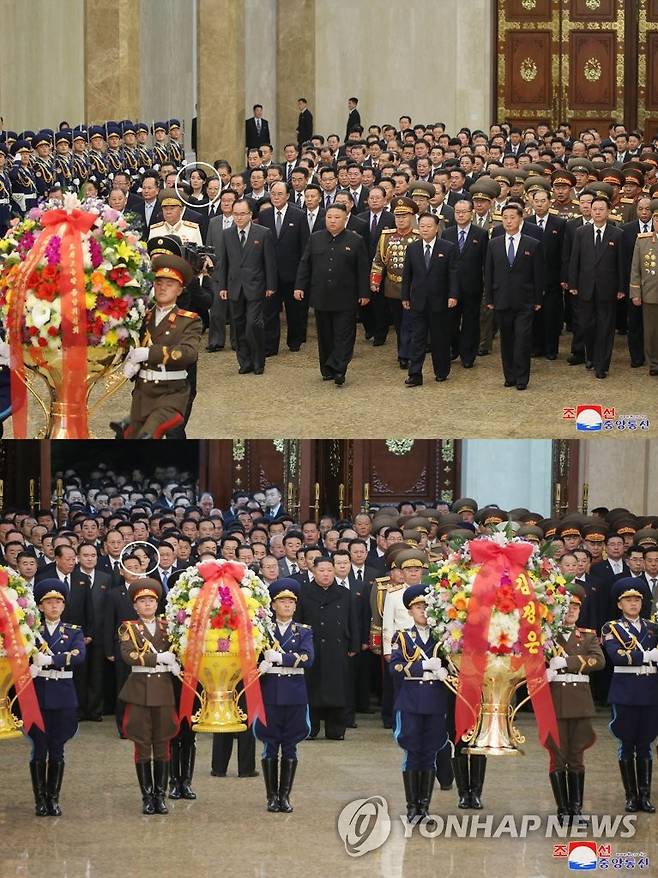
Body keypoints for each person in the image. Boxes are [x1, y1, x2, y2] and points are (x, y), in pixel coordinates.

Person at [122, 238, 202, 439]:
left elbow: (188, 353)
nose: (163, 288)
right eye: (159, 283)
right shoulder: (143, 317)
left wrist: (150, 353)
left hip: (171, 393)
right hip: (143, 393)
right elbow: (132, 346)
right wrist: (130, 362)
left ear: (180, 290)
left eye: (170, 284)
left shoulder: (189, 320)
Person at [118, 577, 180, 815]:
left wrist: (175, 661)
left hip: (163, 690)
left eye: (151, 601)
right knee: (142, 744)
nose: (147, 605)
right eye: (142, 601)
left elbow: (178, 651)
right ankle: (147, 796)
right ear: (135, 606)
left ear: (157, 603)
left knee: (163, 743)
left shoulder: (168, 627)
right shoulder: (129, 628)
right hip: (140, 690)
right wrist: (157, 658)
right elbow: (128, 655)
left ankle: (160, 796)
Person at [545, 583, 605, 822]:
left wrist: (567, 662)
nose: (571, 611)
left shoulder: (588, 635)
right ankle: (563, 809)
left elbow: (598, 661)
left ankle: (576, 808)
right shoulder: (547, 636)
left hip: (580, 702)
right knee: (557, 756)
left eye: (575, 607)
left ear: (580, 610)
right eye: (567, 606)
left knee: (577, 755)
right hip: (555, 702)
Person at [254, 578, 314, 812]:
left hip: (294, 692)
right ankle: (271, 796)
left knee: (290, 745)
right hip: (269, 692)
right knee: (270, 744)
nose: (287, 606)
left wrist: (282, 658)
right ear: (273, 605)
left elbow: (308, 658)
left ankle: (285, 795)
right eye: (282, 601)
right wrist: (261, 664)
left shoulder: (304, 631)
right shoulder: (263, 631)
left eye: (291, 602)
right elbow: (253, 658)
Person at [390, 583, 449, 821]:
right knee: (413, 751)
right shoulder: (403, 637)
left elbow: (453, 665)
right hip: (411, 701)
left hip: (435, 700)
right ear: (410, 611)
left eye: (427, 606)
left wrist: (445, 669)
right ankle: (411, 806)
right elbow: (394, 667)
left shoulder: (443, 637)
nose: (423, 611)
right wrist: (422, 666)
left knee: (431, 752)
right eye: (418, 607)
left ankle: (424, 806)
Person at [294, 203, 370, 386]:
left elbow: (362, 269)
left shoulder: (355, 240)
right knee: (325, 334)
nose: (333, 221)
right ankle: (327, 368)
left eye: (337, 217)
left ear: (345, 219)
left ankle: (340, 368)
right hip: (321, 295)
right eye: (329, 217)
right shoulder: (315, 238)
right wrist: (299, 287)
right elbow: (305, 265)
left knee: (343, 335)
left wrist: (364, 293)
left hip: (346, 297)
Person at [28, 579, 86, 817]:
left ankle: (54, 798)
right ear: (40, 607)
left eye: (58, 603)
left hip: (63, 695)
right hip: (38, 695)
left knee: (58, 747)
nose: (53, 607)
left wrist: (51, 660)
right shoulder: (31, 632)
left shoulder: (73, 631)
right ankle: (40, 799)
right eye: (48, 603)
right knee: (39, 748)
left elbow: (79, 655)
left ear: (63, 606)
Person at [602, 579, 658, 813]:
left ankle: (644, 795)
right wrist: (648, 656)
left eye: (637, 599)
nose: (633, 603)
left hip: (650, 691)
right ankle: (630, 795)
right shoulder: (610, 627)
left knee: (646, 743)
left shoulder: (652, 627)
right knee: (626, 743)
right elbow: (617, 655)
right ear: (619, 604)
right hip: (625, 690)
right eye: (628, 600)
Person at [295, 557, 360, 739]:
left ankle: (336, 730)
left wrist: (354, 644)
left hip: (338, 647)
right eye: (322, 570)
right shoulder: (304, 592)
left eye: (329, 570)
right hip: (311, 647)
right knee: (312, 689)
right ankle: (311, 728)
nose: (326, 574)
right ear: (314, 571)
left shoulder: (344, 593)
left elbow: (352, 620)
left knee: (338, 689)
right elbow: (298, 621)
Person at [484, 203, 544, 390]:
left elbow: (538, 274)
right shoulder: (494, 243)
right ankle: (509, 375)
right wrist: (490, 299)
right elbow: (489, 272)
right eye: (505, 218)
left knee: (522, 340)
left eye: (512, 217)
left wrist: (537, 299)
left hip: (525, 301)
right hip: (501, 299)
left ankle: (522, 378)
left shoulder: (532, 244)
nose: (508, 221)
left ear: (520, 219)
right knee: (506, 340)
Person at [216, 198, 277, 376]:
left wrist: (271, 285)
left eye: (243, 214)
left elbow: (269, 262)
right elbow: (223, 262)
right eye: (236, 214)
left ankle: (258, 360)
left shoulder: (263, 233)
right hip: (234, 286)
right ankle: (245, 361)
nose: (239, 218)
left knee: (253, 324)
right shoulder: (227, 234)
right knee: (238, 325)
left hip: (256, 286)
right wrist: (223, 286)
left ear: (251, 214)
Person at [568, 192, 625, 379]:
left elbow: (621, 264)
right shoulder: (581, 233)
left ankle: (602, 365)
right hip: (585, 288)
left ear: (608, 211)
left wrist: (621, 288)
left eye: (601, 209)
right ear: (590, 211)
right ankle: (590, 355)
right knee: (587, 326)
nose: (598, 212)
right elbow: (574, 259)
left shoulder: (617, 234)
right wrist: (573, 283)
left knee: (606, 328)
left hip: (608, 290)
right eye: (595, 209)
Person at [401, 211, 459, 386]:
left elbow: (453, 274)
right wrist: (405, 296)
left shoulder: (448, 248)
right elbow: (407, 275)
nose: (425, 229)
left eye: (429, 226)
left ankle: (441, 370)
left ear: (436, 228)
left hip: (440, 301)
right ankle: (415, 374)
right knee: (417, 338)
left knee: (439, 338)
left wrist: (453, 295)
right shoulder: (413, 248)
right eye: (422, 226)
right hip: (418, 300)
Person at [370, 196, 421, 367]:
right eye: (398, 217)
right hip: (393, 287)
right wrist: (375, 281)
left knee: (410, 322)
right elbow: (378, 261)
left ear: (412, 217)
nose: (400, 220)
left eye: (404, 216)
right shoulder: (387, 237)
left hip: (413, 288)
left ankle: (407, 354)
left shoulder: (418, 237)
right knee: (399, 324)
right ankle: (402, 350)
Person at [259, 181, 309, 355]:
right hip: (270, 273)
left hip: (292, 273)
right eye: (273, 193)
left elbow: (305, 247)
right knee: (270, 311)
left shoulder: (299, 215)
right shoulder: (264, 215)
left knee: (294, 310)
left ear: (288, 195)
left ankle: (294, 341)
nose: (276, 197)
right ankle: (270, 346)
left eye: (280, 194)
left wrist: (302, 277)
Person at [629, 198, 658, 376]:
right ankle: (654, 362)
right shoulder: (643, 241)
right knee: (652, 331)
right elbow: (636, 270)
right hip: (651, 293)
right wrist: (636, 293)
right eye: (657, 219)